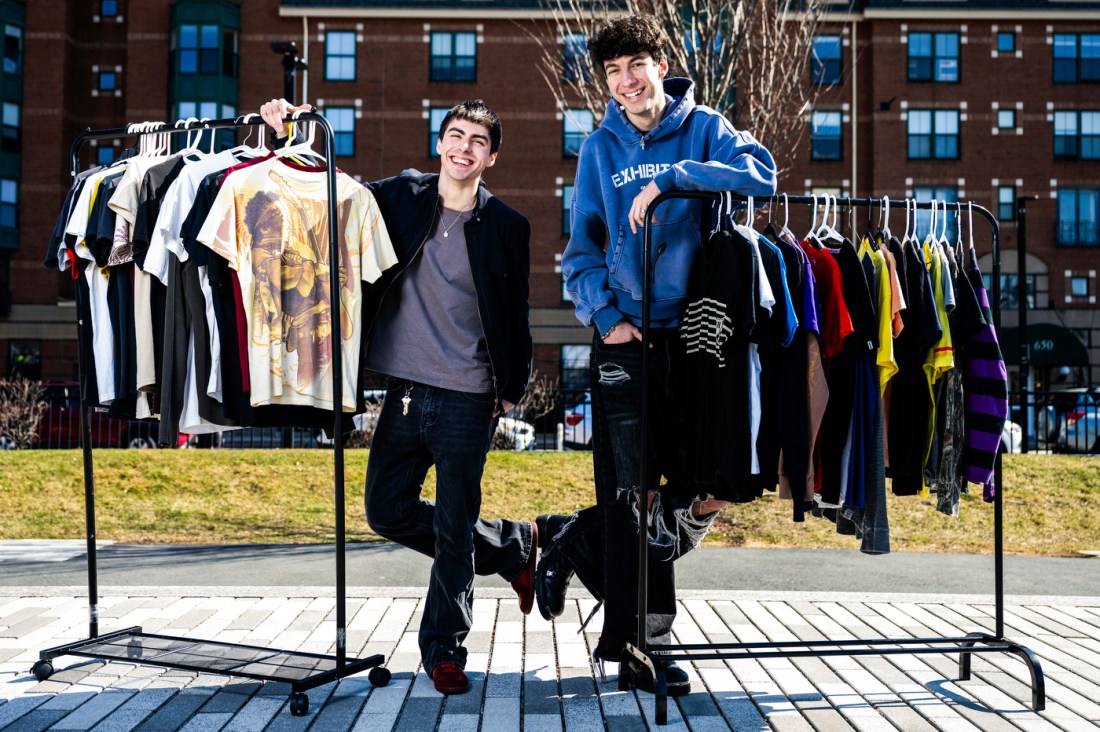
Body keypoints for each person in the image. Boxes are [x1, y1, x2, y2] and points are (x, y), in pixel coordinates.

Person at [260, 98, 538, 696]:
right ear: (441, 143)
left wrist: (511, 388)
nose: (464, 148)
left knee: (455, 525)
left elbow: (515, 315)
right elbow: (328, 188)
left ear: (492, 156)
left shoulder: (508, 227)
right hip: (405, 393)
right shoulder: (400, 198)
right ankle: (514, 550)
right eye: (455, 136)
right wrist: (287, 132)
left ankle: (443, 650)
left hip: (469, 396)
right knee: (385, 511)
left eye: (477, 142)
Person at [537, 14, 777, 695]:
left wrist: (673, 177)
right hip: (627, 335)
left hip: (699, 334)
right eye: (612, 72)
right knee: (634, 488)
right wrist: (605, 316)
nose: (625, 81)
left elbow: (761, 173)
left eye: (634, 65)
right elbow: (581, 251)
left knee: (706, 477)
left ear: (657, 64)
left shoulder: (705, 128)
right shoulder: (599, 148)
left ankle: (572, 542)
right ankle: (647, 645)